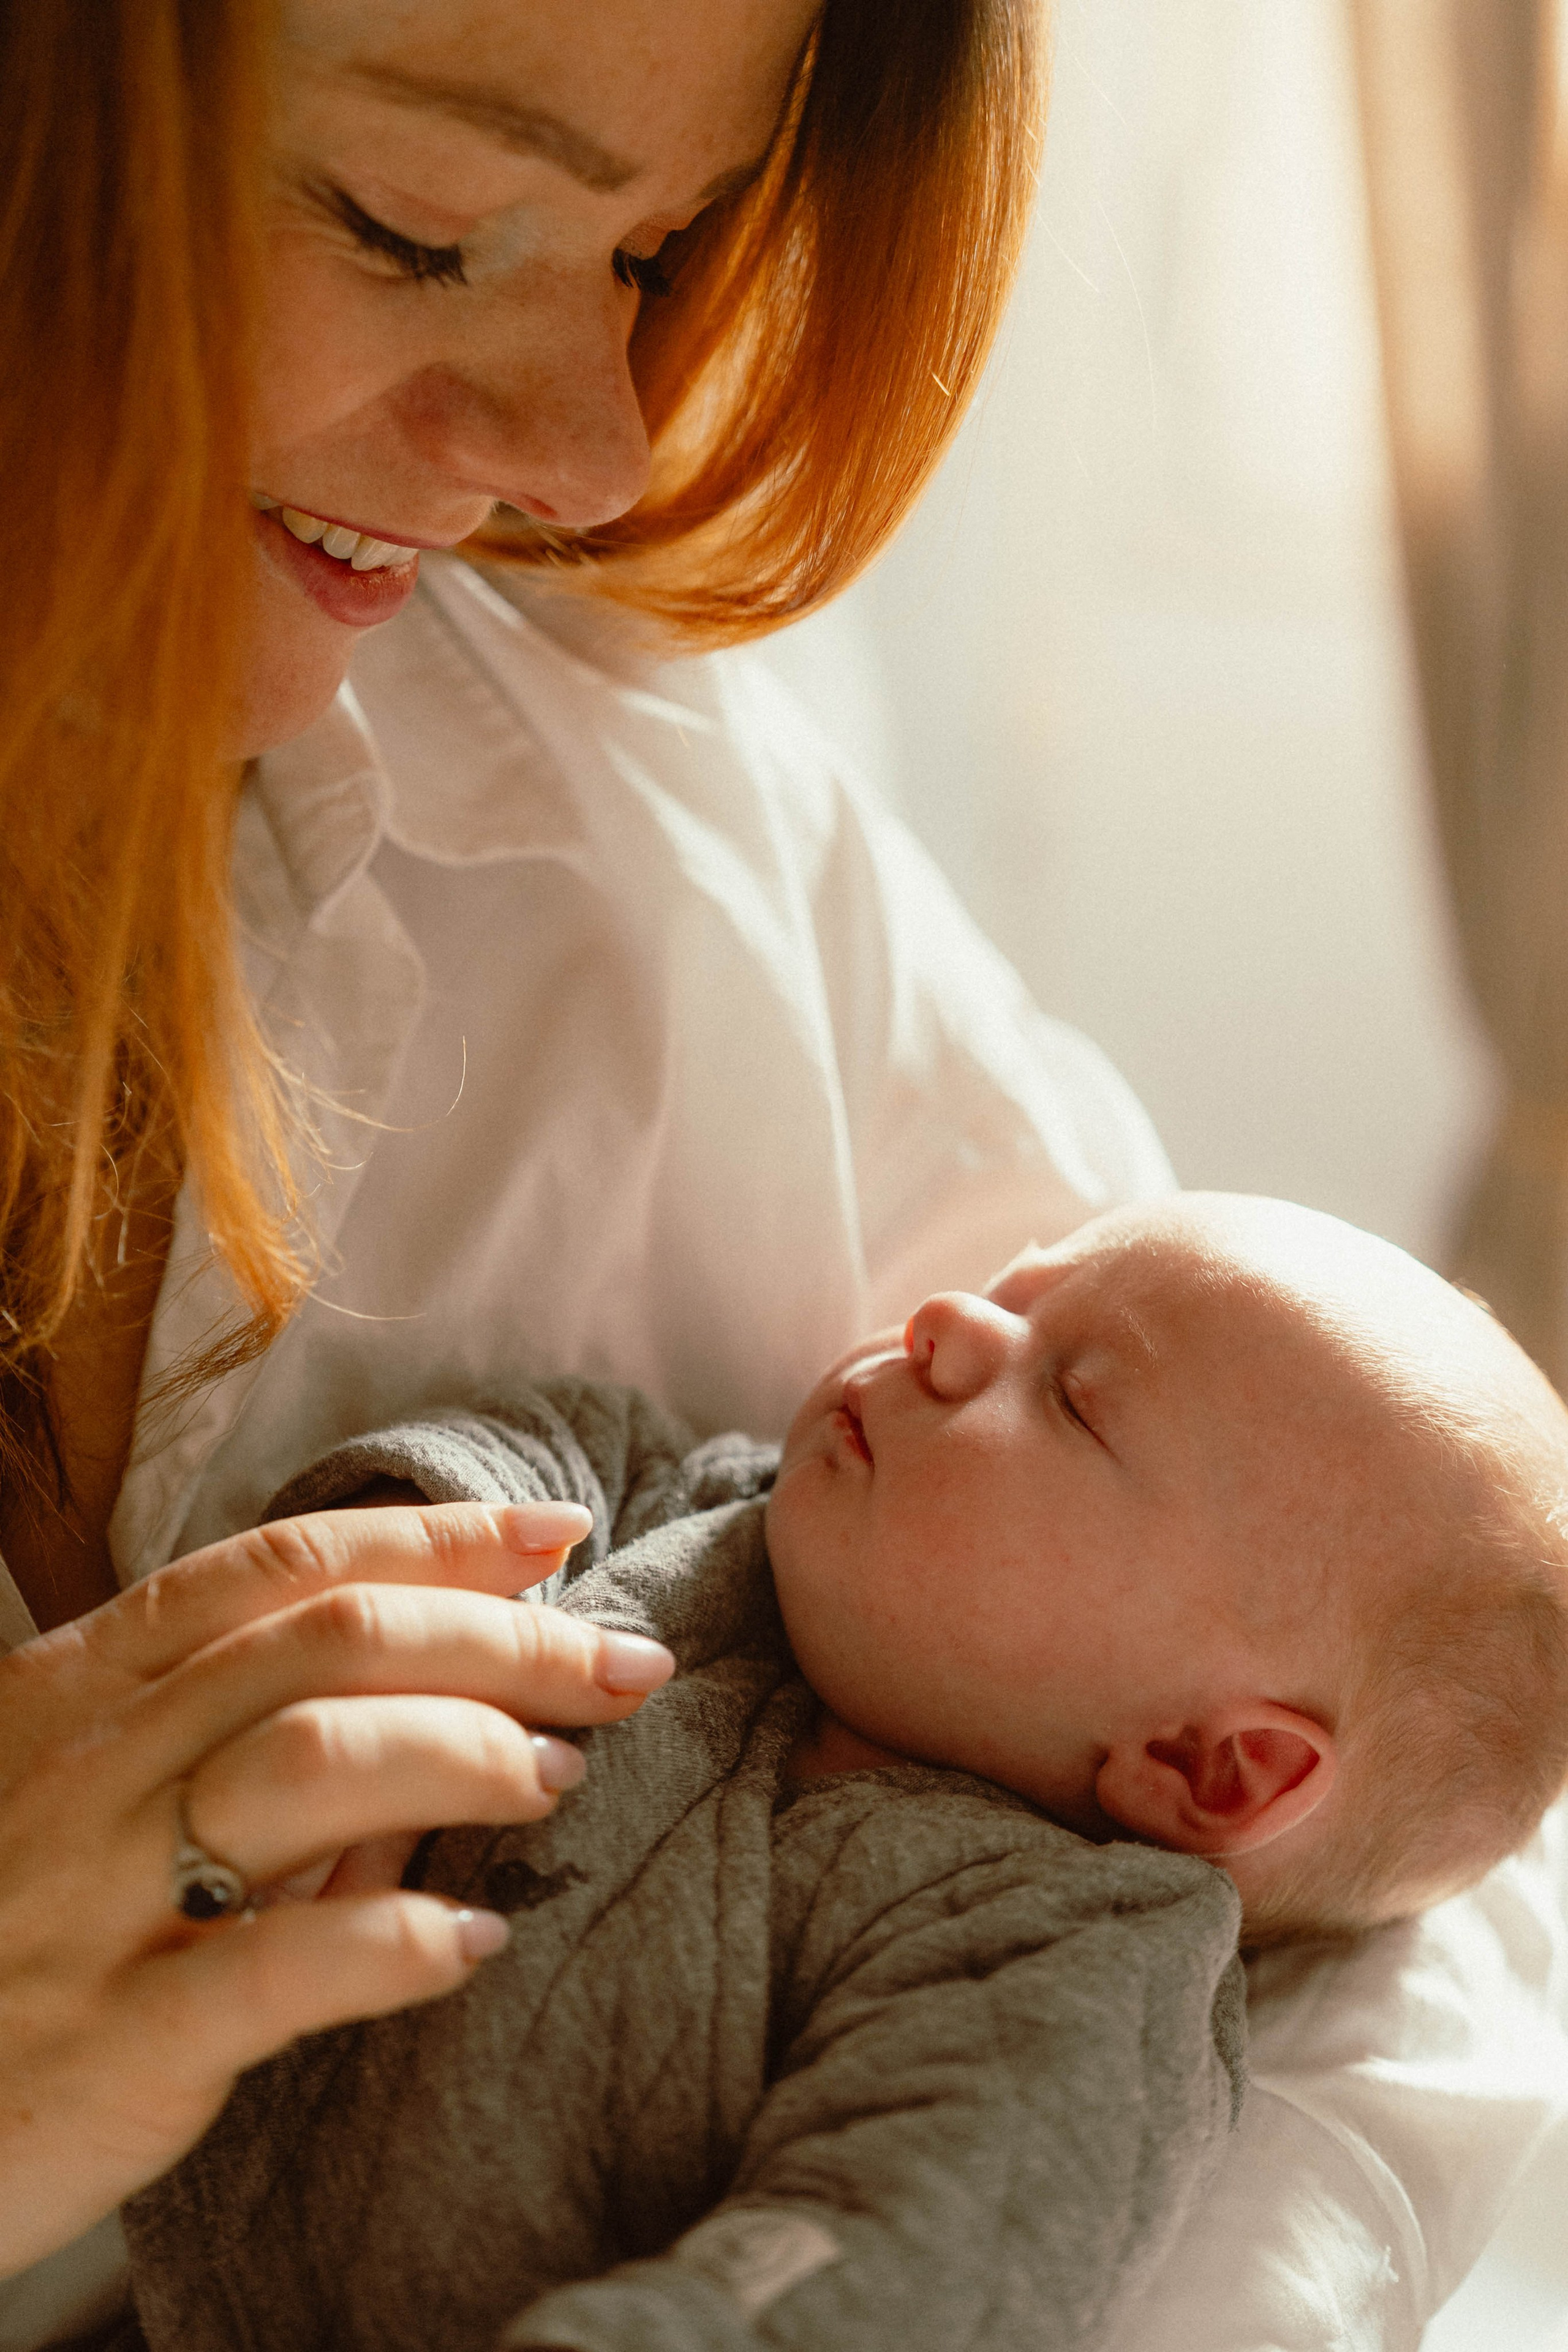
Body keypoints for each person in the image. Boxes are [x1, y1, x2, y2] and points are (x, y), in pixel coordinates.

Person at [1, 4, 1563, 2350]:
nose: (594, 448)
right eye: (418, 228)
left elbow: (1405, 1912)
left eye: (656, 250)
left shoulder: (653, 814)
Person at [118, 1194, 1568, 2351]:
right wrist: (418, 1517)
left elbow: (910, 2244)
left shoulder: (1054, 1951)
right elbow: (553, 1442)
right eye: (1013, 1289)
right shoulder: (723, 1510)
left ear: (1210, 1766)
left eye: (1075, 1399)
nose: (941, 1323)